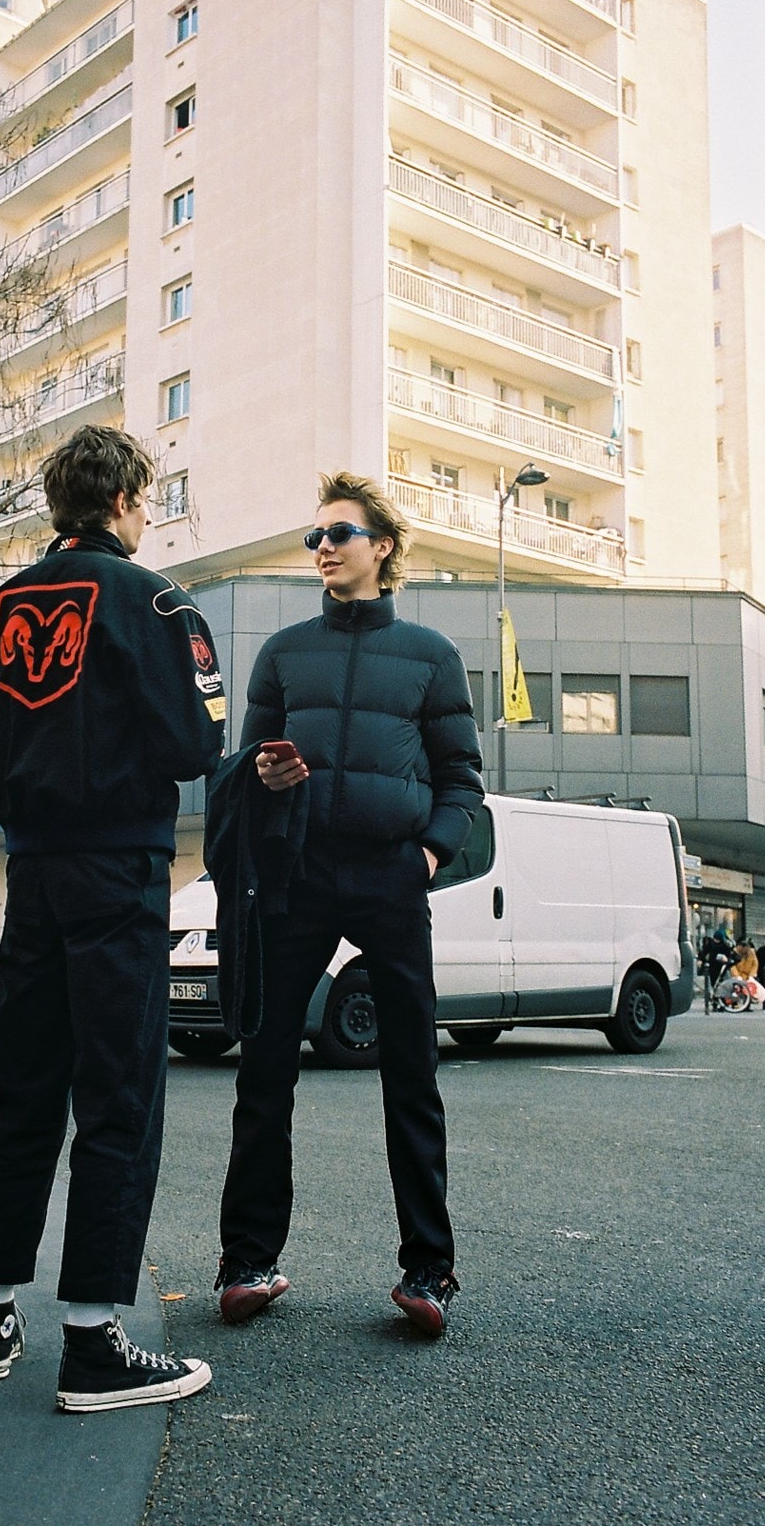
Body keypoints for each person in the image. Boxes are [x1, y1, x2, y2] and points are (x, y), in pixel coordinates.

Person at [0, 424, 226, 1412]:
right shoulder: (156, 604)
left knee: (24, 1090)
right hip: (117, 868)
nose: (147, 515)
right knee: (117, 1093)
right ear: (123, 500)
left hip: (32, 870)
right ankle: (94, 1339)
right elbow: (196, 743)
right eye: (146, 500)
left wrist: (30, 804)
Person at [212, 472, 484, 1339]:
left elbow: (461, 779)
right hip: (293, 878)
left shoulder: (430, 655)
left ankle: (428, 1271)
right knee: (264, 1071)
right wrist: (262, 774)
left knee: (411, 1073)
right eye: (315, 537)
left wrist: (427, 854)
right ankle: (246, 1261)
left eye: (339, 533)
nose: (322, 548)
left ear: (383, 547)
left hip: (389, 878)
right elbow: (242, 768)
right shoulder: (284, 652)